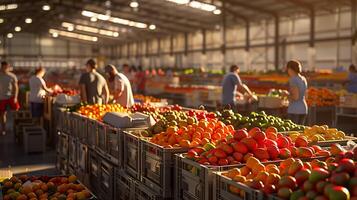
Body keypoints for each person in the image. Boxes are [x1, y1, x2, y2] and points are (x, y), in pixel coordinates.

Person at [286, 60, 308, 125]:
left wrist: (286, 94)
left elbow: (295, 97)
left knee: (293, 133)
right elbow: (306, 95)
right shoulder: (303, 79)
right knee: (300, 132)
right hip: (303, 108)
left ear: (290, 69)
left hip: (294, 110)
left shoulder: (293, 79)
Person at [0, 61, 19, 135]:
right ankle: (3, 129)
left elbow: (16, 87)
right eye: (3, 67)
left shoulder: (12, 76)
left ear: (8, 67)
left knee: (16, 112)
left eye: (6, 67)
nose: (4, 68)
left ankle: (16, 128)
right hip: (1, 98)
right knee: (2, 114)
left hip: (11, 97)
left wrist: (15, 97)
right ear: (1, 67)